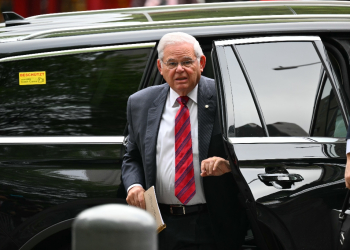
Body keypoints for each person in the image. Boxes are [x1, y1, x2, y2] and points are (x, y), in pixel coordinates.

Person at [121, 32, 246, 250]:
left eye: (187, 62)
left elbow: (253, 151)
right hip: (161, 225)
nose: (180, 69)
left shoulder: (228, 98)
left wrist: (228, 164)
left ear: (201, 63)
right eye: (172, 63)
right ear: (160, 67)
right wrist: (134, 186)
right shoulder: (140, 103)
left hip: (214, 224)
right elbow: (132, 156)